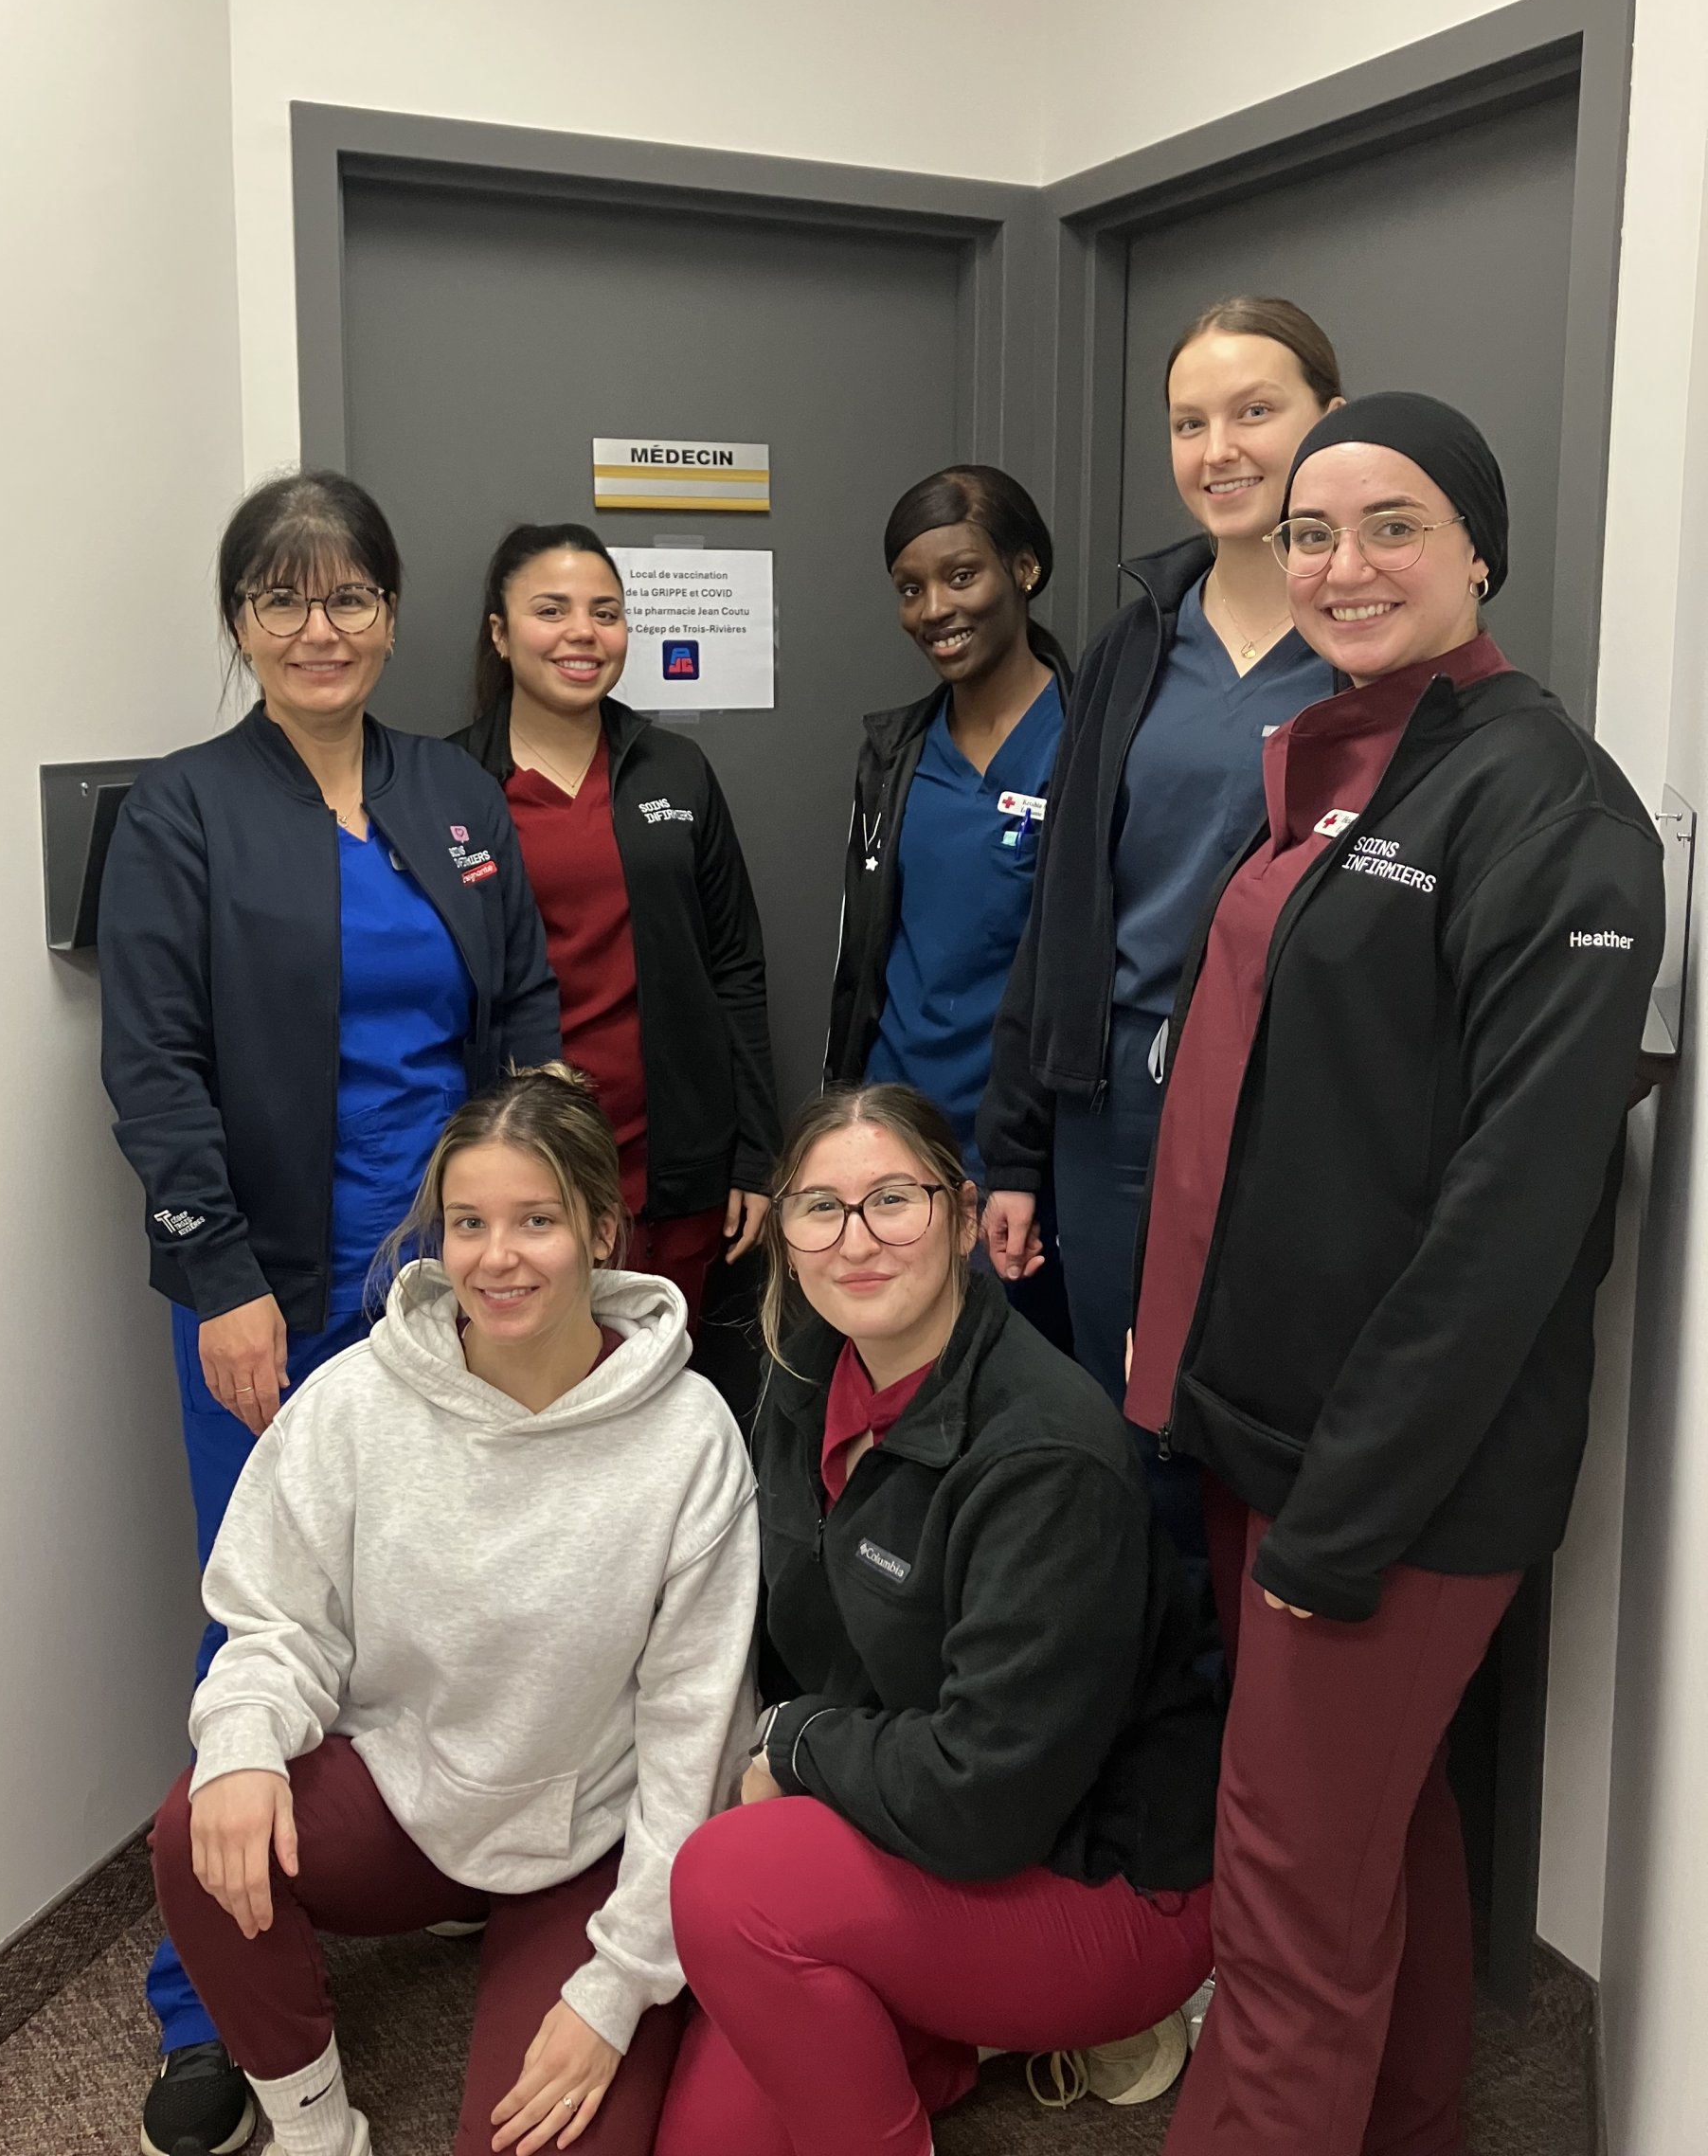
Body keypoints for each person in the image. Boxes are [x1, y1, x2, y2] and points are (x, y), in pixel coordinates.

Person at [1122, 395, 1663, 2154]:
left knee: (1288, 1908)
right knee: (1376, 1835)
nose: (1343, 564)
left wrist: (1346, 1511)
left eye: (1394, 525)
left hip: (1392, 1474)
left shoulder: (1548, 799)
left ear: (1480, 549)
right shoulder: (1364, 752)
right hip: (1277, 1424)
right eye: (1311, 532)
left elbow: (1516, 1214)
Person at [99, 473, 560, 2156]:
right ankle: (203, 2002)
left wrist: (535, 1233)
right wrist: (218, 1277)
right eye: (282, 598)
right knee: (262, 1623)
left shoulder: (450, 792)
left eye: (350, 594)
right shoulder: (183, 812)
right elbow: (152, 1070)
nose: (320, 627)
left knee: (457, 1603)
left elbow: (522, 1013)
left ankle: (451, 1873)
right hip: (270, 1296)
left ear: (392, 611)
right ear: (240, 623)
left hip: (456, 1288)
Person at [151, 1067, 761, 2156]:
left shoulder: (690, 1436)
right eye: (470, 1222)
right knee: (199, 1816)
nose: (497, 1255)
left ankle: (548, 1964)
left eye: (537, 1220)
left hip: (589, 1835)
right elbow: (278, 1617)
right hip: (407, 1794)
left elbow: (694, 1737)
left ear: (601, 1231)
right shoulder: (357, 1399)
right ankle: (315, 2131)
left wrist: (616, 1990)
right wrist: (241, 1742)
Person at [655, 1083, 1221, 2156]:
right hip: (905, 1814)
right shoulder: (804, 1374)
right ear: (787, 1236)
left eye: (892, 1201)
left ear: (963, 1219)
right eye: (821, 1208)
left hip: (1098, 1874)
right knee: (708, 2142)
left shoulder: (1044, 1452)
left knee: (728, 1886)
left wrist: (794, 1745)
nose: (856, 1240)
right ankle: (960, 2035)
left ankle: (1035, 2024)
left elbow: (985, 1798)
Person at [978, 298, 1345, 1416]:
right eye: (1191, 423)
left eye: (1254, 411)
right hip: (1117, 1098)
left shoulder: (1364, 649)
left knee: (1253, 1410)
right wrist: (1016, 1150)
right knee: (1121, 1408)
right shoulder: (1134, 645)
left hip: (1288, 1095)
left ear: (1331, 419)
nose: (1218, 449)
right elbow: (1061, 907)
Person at [455, 523, 780, 1323]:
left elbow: (736, 966)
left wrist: (756, 1153)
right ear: (499, 633)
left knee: (664, 1380)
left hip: (677, 1163)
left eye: (605, 612)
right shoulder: (452, 785)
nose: (583, 633)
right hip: (524, 1166)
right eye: (551, 610)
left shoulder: (675, 769)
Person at [824, 464, 1070, 1339]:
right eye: (910, 588)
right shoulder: (896, 754)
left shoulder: (1089, 745)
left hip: (1028, 1155)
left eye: (961, 575)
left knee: (1015, 1379)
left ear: (1025, 570)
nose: (934, 609)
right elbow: (867, 954)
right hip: (899, 1136)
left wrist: (1026, 1161)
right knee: (894, 1367)